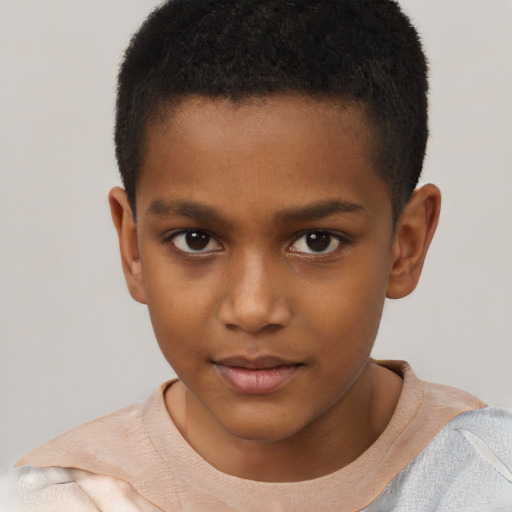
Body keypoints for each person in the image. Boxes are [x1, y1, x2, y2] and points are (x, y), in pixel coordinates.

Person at [1, 0, 511, 510]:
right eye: (195, 240)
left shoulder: (489, 482)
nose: (251, 309)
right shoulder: (57, 501)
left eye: (317, 241)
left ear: (407, 245)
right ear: (133, 248)